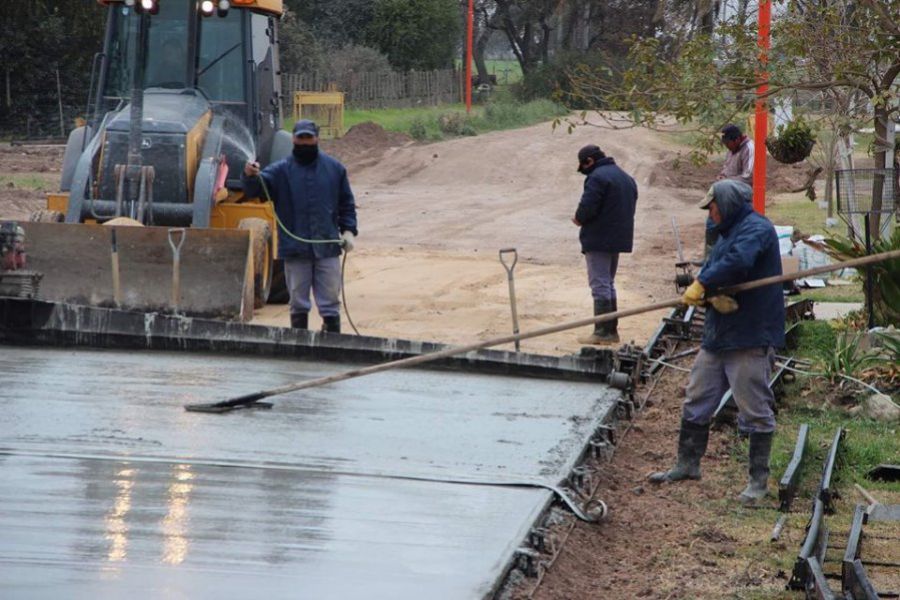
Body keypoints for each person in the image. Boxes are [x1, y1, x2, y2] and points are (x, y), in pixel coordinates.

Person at [648, 179, 785, 505]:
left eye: (712, 207)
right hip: (719, 334)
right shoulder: (726, 233)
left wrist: (704, 282)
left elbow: (738, 263)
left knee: (753, 409)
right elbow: (716, 265)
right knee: (697, 397)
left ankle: (758, 483)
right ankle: (687, 464)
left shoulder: (756, 229)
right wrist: (704, 291)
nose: (710, 213)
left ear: (726, 204)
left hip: (749, 334)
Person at [243, 119, 357, 333]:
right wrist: (250, 175)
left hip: (327, 247)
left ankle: (332, 339)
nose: (304, 142)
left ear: (317, 139)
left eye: (308, 138)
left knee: (330, 300)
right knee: (298, 300)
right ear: (293, 139)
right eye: (300, 138)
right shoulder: (279, 171)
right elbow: (255, 190)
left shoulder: (335, 170)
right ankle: (300, 342)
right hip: (295, 249)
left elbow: (346, 204)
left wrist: (349, 231)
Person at [572, 144, 638, 345]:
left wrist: (579, 218)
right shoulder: (625, 177)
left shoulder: (598, 177)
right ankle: (611, 331)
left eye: (584, 167)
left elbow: (588, 205)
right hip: (617, 238)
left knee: (600, 284)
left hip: (599, 238)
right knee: (607, 283)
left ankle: (603, 332)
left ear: (589, 161)